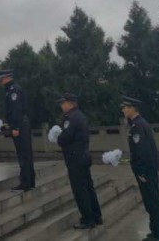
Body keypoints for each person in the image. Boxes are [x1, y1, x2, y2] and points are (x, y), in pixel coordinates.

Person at [121, 96, 159, 241]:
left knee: (152, 201)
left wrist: (141, 171)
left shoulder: (138, 126)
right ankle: (156, 231)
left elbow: (143, 151)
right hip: (148, 169)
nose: (123, 110)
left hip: (146, 171)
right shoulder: (138, 124)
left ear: (131, 108)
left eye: (125, 107)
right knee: (151, 201)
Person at [56, 93, 102, 230]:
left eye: (63, 103)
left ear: (70, 103)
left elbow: (65, 137)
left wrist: (57, 138)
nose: (61, 106)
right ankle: (96, 216)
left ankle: (87, 219)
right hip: (83, 156)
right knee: (88, 187)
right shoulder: (80, 115)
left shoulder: (70, 117)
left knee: (80, 190)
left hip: (75, 158)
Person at [0, 69, 35, 191]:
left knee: (23, 155)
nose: (0, 81)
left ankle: (25, 183)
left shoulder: (13, 90)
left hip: (20, 126)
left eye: (2, 79)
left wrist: (15, 127)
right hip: (21, 124)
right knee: (26, 154)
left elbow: (16, 110)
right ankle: (30, 181)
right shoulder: (11, 90)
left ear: (7, 77)